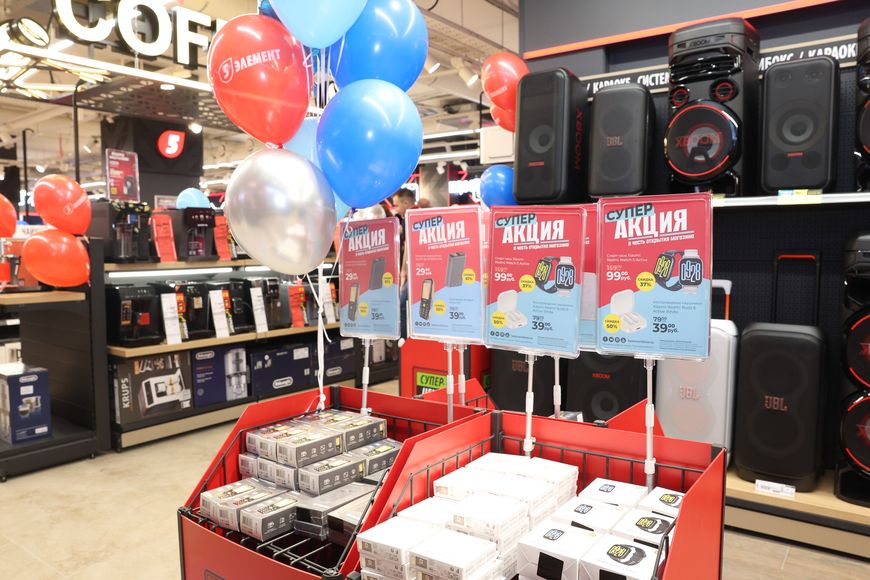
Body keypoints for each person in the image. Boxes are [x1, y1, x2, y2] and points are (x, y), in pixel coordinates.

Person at [392, 188, 415, 341]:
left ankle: (404, 339)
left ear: (406, 203)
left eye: (396, 204)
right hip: (420, 268)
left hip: (413, 269)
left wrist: (403, 270)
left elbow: (408, 245)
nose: (396, 208)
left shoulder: (410, 218)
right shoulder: (418, 215)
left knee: (402, 304)